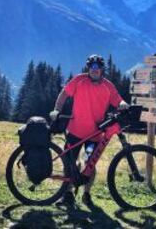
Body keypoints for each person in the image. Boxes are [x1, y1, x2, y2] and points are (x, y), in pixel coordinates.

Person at [49, 54, 129, 207]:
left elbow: (118, 100)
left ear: (102, 69)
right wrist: (56, 110)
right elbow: (64, 94)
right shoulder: (79, 80)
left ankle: (87, 194)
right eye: (92, 67)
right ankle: (68, 194)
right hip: (75, 132)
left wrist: (123, 103)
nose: (95, 70)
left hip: (94, 135)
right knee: (70, 164)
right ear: (88, 68)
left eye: (98, 67)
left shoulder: (108, 86)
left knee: (89, 165)